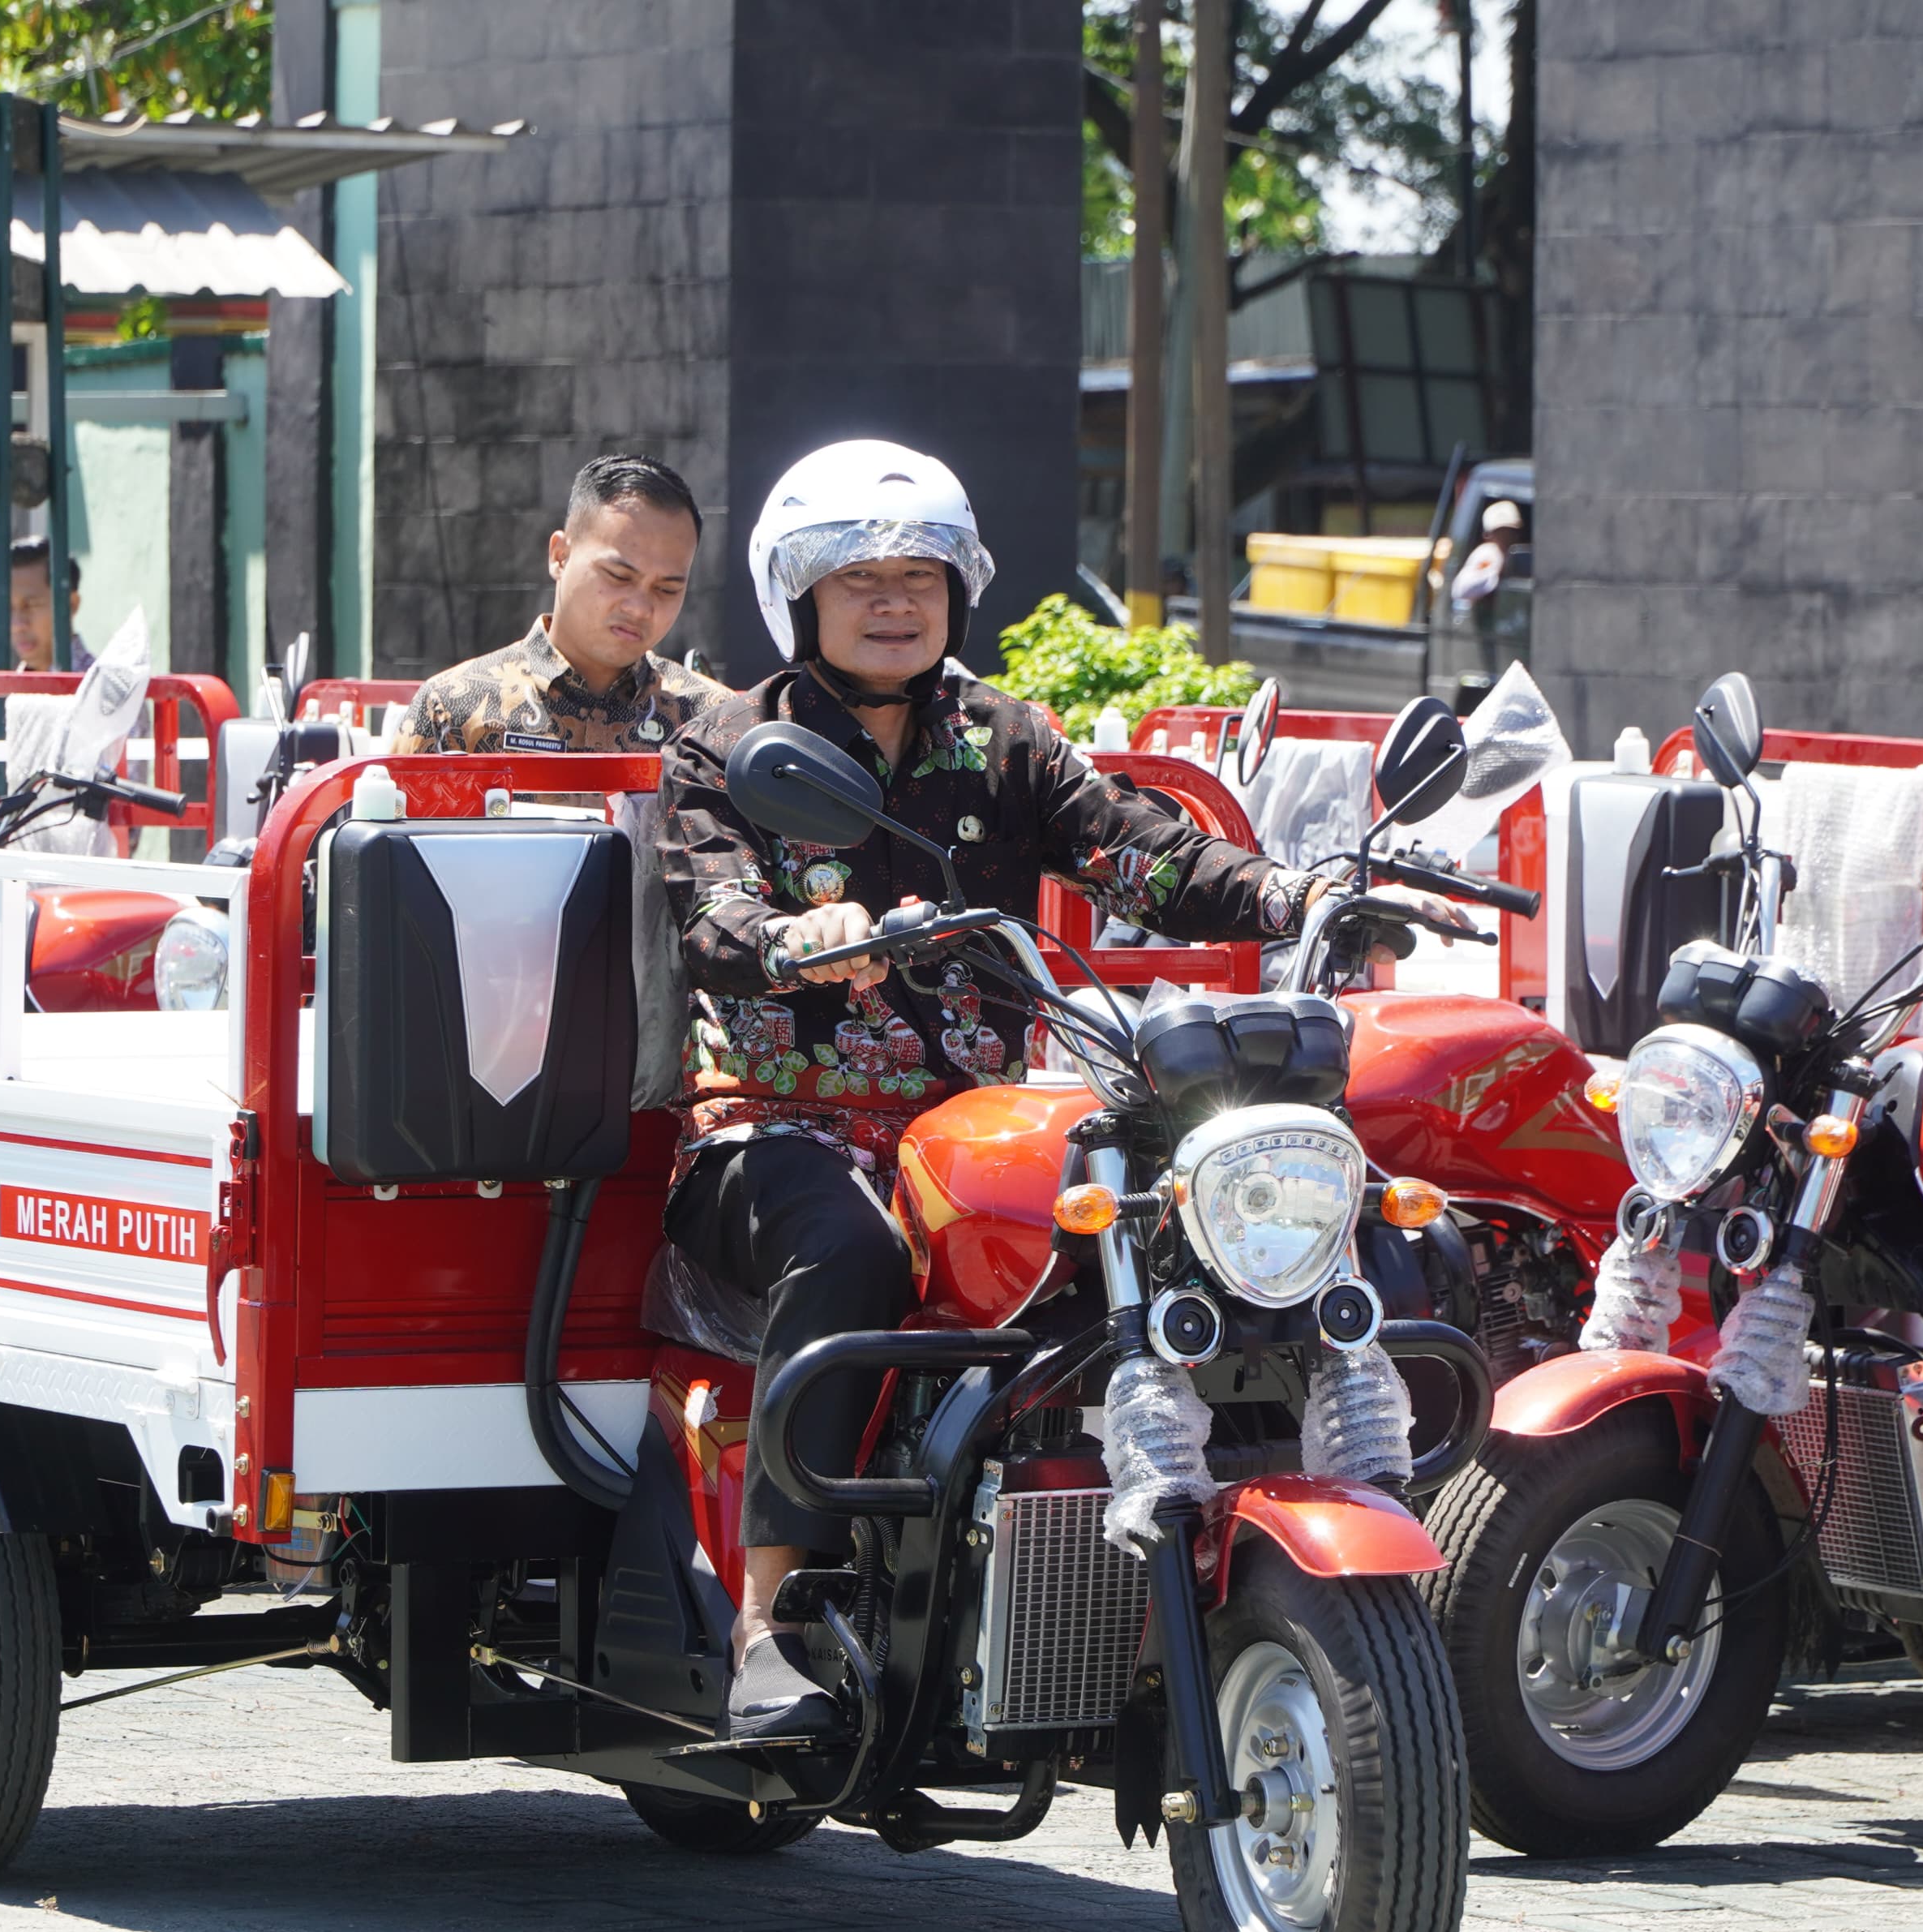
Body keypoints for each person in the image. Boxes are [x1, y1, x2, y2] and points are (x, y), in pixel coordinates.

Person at [657, 439, 1376, 1742]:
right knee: (848, 1247)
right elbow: (702, 907)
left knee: (1198, 1228)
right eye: (860, 576)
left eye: (920, 576)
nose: (894, 600)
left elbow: (1137, 852)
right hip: (772, 1128)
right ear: (798, 594)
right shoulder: (728, 742)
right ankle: (768, 1620)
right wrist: (784, 938)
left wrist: (1291, 891)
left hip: (971, 1129)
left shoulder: (1003, 738)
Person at [391, 453, 727, 757]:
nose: (640, 608)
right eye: (619, 576)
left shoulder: (711, 723)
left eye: (667, 589)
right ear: (560, 556)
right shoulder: (452, 709)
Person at [1449, 497, 1524, 677]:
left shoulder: (1511, 554)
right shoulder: (1488, 554)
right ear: (1488, 534)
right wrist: (1494, 574)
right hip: (1484, 631)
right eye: (1500, 531)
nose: (1506, 536)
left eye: (1510, 531)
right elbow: (1461, 589)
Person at [8, 538, 86, 669]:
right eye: (7, 609)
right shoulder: (2, 688)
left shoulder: (100, 687)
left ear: (71, 605)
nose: (17, 625)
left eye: (31, 605)